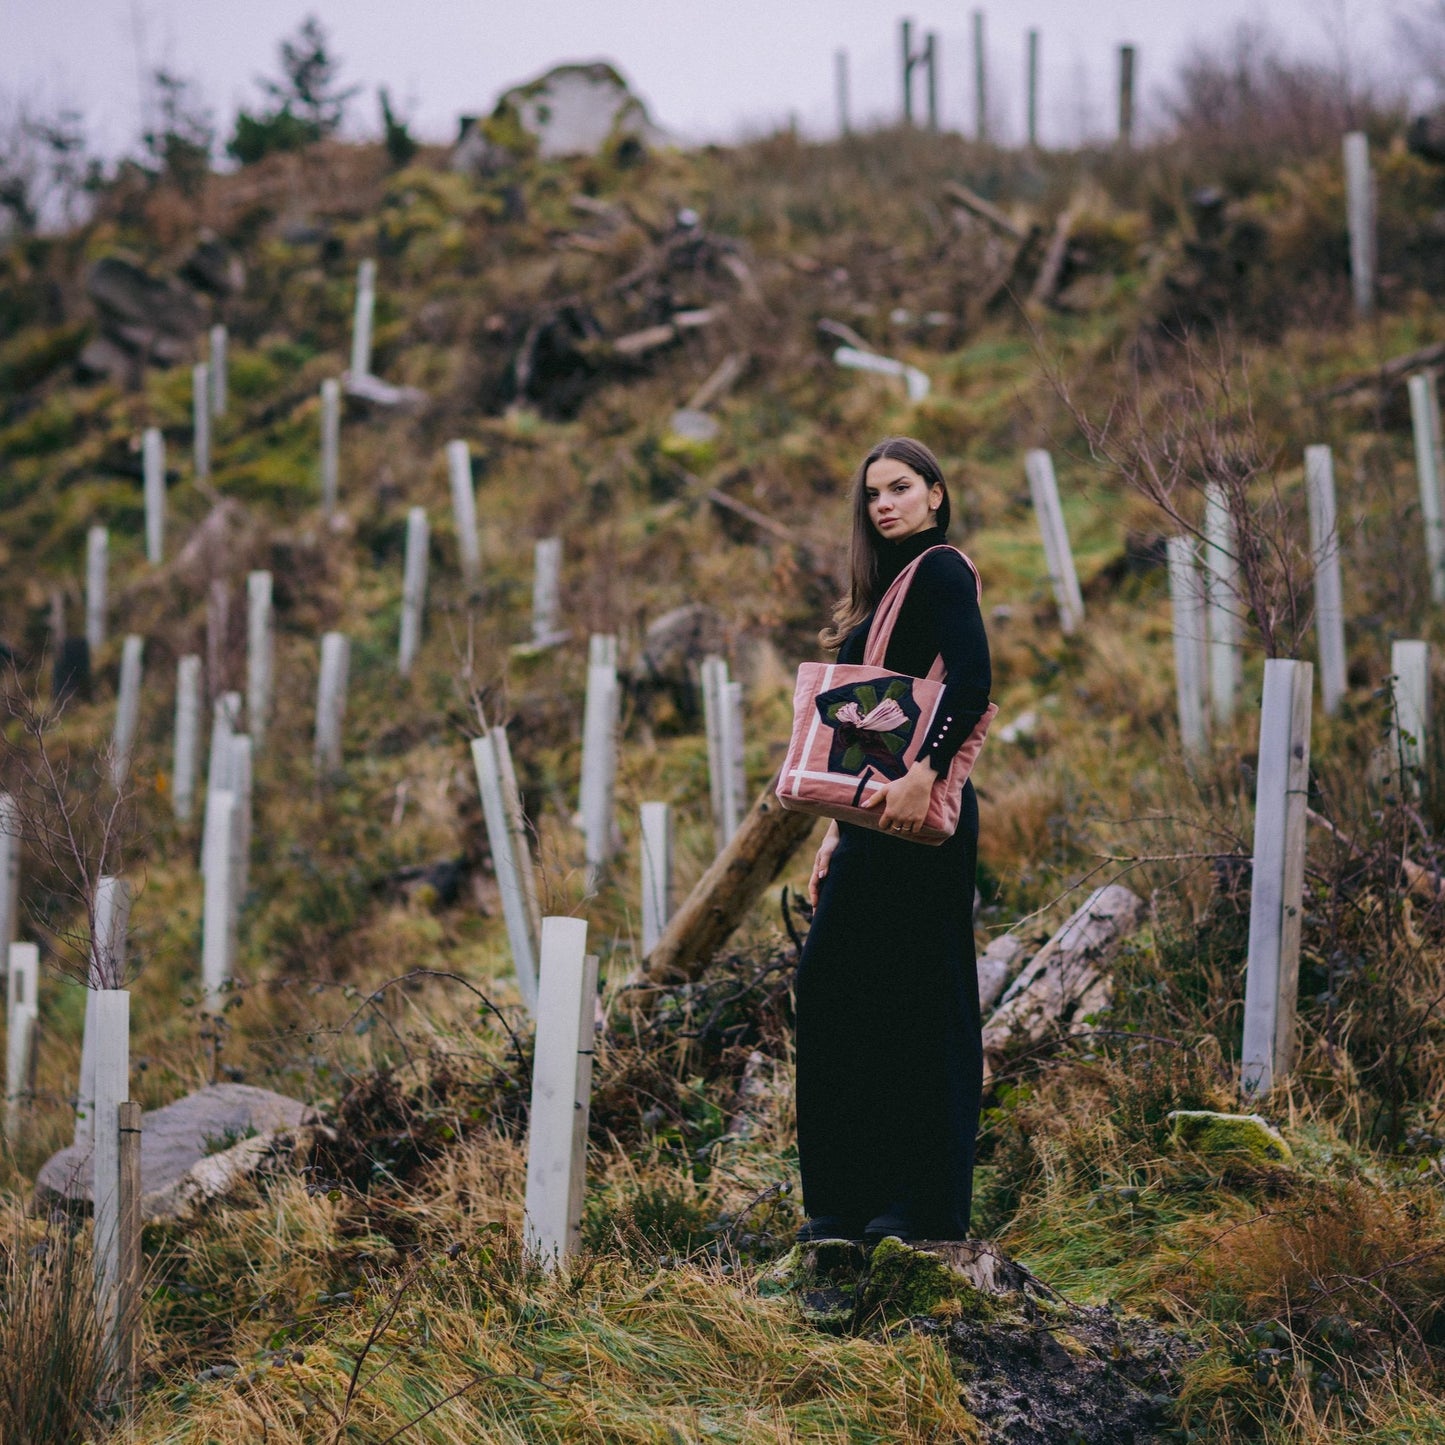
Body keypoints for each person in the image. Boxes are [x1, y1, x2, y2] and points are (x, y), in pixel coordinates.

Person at [793, 435, 993, 1244]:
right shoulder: (877, 600)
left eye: (900, 487)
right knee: (838, 989)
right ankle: (846, 1202)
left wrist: (927, 770)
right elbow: (865, 733)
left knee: (921, 998)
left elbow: (973, 680)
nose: (884, 504)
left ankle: (924, 1207)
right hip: (870, 822)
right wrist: (834, 832)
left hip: (918, 818)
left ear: (935, 495)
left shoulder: (942, 570)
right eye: (872, 493)